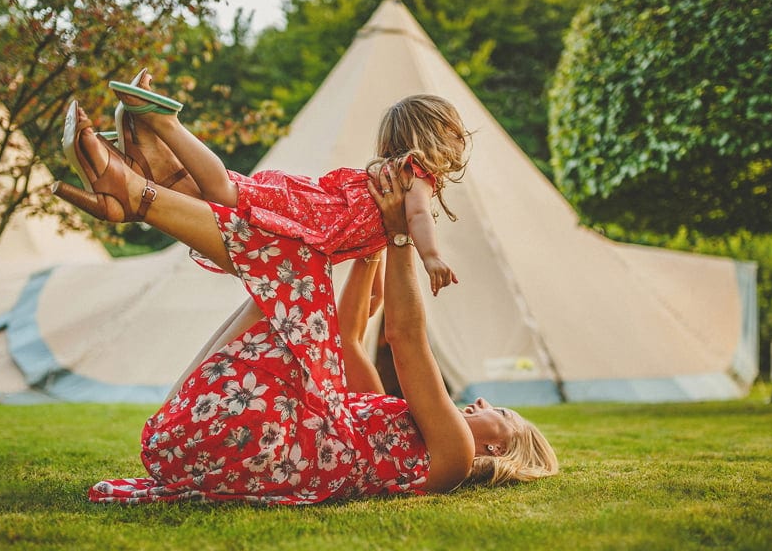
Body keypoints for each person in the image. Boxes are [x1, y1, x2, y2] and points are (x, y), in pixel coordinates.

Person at [54, 91, 558, 505]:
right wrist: (373, 247)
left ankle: (144, 193)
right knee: (295, 268)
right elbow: (344, 337)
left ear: (498, 446)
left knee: (297, 263)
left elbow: (404, 338)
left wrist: (402, 236)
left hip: (248, 449)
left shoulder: (452, 457)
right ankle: (145, 190)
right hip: (185, 441)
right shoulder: (382, 420)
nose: (488, 401)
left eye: (505, 414)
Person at [103, 69, 467, 296]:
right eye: (455, 132)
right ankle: (165, 122)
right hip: (316, 215)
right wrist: (431, 257)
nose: (460, 140)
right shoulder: (417, 174)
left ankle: (140, 140)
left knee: (214, 197)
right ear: (436, 134)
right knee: (223, 193)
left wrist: (373, 290)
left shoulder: (394, 172)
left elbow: (373, 236)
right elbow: (417, 215)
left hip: (315, 208)